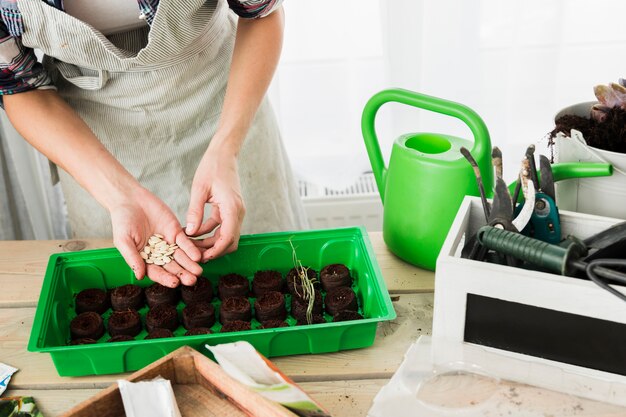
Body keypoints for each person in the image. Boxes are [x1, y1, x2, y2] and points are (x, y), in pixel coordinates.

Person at [0, 0, 307, 288]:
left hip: (223, 100)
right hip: (91, 146)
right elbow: (19, 87)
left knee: (276, 277)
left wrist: (227, 148)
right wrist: (120, 197)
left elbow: (261, 12)